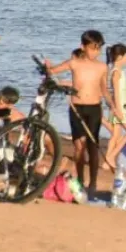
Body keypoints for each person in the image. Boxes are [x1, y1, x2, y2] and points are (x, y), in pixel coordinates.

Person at [46, 30, 112, 195]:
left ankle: (93, 182)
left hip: (94, 108)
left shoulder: (102, 67)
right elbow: (53, 71)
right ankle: (81, 180)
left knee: (93, 145)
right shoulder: (74, 63)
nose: (96, 52)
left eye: (98, 49)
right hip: (77, 108)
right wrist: (48, 67)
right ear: (83, 47)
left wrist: (112, 105)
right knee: (78, 146)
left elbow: (104, 89)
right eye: (93, 48)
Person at [104, 43, 126, 172]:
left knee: (116, 135)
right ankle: (111, 156)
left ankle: (107, 163)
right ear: (120, 57)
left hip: (120, 106)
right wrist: (119, 110)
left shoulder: (118, 71)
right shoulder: (116, 72)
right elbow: (116, 93)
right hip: (120, 107)